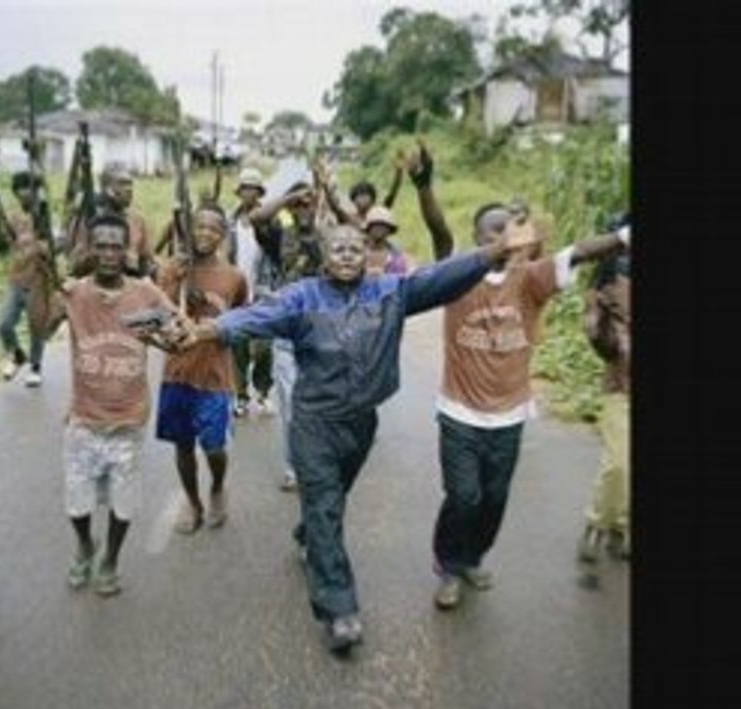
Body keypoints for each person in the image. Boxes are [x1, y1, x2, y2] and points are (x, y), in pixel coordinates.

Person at [180, 221, 539, 652]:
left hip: (361, 424)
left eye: (355, 248)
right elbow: (253, 316)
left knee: (329, 502)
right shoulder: (302, 297)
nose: (348, 255)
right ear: (324, 257)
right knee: (327, 505)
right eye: (338, 248)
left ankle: (307, 534)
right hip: (315, 423)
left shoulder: (391, 292)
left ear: (366, 254)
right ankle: (340, 610)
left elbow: (440, 279)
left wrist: (493, 252)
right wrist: (203, 331)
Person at [429, 203, 631, 611]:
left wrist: (625, 236)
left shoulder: (531, 279)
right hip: (459, 414)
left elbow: (581, 252)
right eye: (494, 231)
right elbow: (439, 234)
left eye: (510, 229)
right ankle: (449, 567)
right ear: (478, 238)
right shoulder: (459, 277)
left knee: (494, 498)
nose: (504, 237)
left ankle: (472, 558)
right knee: (464, 496)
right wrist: (424, 188)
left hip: (509, 416)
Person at [44, 213, 185, 596]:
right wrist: (47, 290)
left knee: (123, 505)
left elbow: (177, 331)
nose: (109, 253)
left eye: (116, 246)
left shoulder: (145, 294)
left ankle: (110, 560)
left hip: (128, 420)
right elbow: (40, 330)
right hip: (83, 420)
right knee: (77, 503)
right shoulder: (75, 293)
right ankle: (85, 545)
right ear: (89, 249)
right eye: (101, 245)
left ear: (128, 250)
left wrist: (166, 333)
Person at [156, 205, 249, 533]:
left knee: (214, 446)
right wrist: (176, 282)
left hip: (215, 377)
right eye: (199, 227)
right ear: (189, 230)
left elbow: (241, 321)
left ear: (222, 235)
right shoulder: (173, 268)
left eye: (213, 228)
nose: (205, 234)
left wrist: (216, 327)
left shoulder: (234, 277)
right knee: (182, 445)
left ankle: (217, 487)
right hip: (177, 374)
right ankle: (193, 502)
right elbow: (158, 314)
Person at [242, 178, 326, 491]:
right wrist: (289, 196)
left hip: (325, 334)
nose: (303, 209)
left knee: (323, 407)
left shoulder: (331, 237)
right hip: (289, 336)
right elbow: (256, 218)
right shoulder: (280, 236)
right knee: (291, 407)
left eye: (308, 203)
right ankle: (295, 469)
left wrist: (325, 193)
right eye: (297, 205)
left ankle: (320, 463)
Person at [577, 213, 631, 564]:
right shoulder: (611, 275)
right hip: (621, 383)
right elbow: (593, 328)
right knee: (618, 463)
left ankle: (622, 526)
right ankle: (596, 524)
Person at [0, 170, 56, 388]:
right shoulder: (11, 217)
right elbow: (0, 246)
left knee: (36, 327)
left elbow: (52, 248)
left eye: (31, 188)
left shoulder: (45, 216)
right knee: (4, 324)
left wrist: (43, 247)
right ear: (16, 193)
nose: (27, 193)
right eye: (22, 189)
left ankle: (36, 366)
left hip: (39, 280)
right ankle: (17, 354)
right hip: (16, 280)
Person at [227, 167, 280, 417]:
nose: (249, 193)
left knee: (263, 348)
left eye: (253, 189)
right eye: (245, 188)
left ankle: (263, 392)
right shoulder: (230, 221)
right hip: (237, 292)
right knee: (237, 345)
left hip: (264, 290)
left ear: (259, 192)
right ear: (240, 192)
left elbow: (277, 249)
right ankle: (241, 395)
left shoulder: (271, 219)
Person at [68, 161, 155, 280]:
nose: (129, 189)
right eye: (122, 184)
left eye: (130, 184)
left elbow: (147, 261)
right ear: (106, 187)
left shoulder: (137, 220)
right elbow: (75, 265)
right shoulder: (87, 219)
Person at [320, 148, 407, 230]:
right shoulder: (349, 218)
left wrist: (399, 174)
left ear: (373, 199)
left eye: (366, 195)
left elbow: (391, 197)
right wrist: (325, 187)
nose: (362, 199)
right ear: (354, 201)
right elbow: (335, 208)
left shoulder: (378, 215)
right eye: (359, 196)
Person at [363, 206, 410, 276]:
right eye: (375, 225)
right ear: (368, 228)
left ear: (390, 230)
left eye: (384, 226)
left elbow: (405, 275)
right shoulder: (357, 250)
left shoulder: (396, 255)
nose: (379, 229)